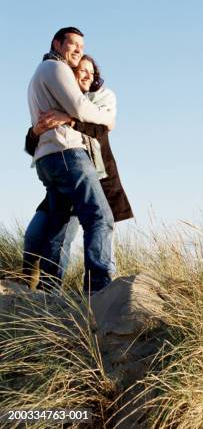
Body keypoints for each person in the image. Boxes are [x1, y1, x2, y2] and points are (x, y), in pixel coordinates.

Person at [23, 54, 133, 287]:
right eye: (81, 70)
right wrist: (36, 130)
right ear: (70, 73)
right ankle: (41, 287)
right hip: (65, 171)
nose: (87, 75)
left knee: (98, 223)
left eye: (91, 72)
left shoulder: (102, 97)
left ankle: (99, 287)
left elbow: (103, 128)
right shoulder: (62, 95)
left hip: (94, 174)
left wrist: (70, 120)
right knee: (39, 233)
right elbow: (33, 142)